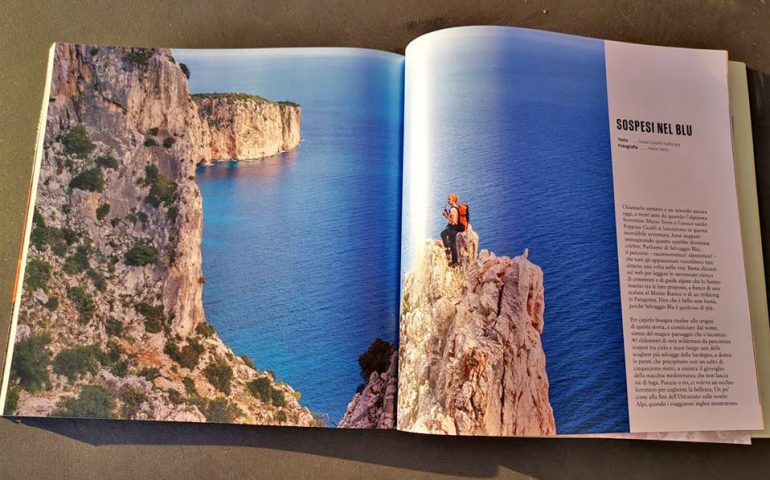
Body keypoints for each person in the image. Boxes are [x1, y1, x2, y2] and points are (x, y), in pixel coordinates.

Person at [440, 193, 465, 267]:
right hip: (453, 228)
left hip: (453, 228)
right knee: (443, 234)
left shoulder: (453, 209)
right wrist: (448, 214)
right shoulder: (455, 207)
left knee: (452, 244)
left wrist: (446, 215)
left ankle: (455, 262)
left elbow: (453, 222)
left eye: (449, 199)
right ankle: (448, 249)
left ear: (453, 200)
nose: (448, 201)